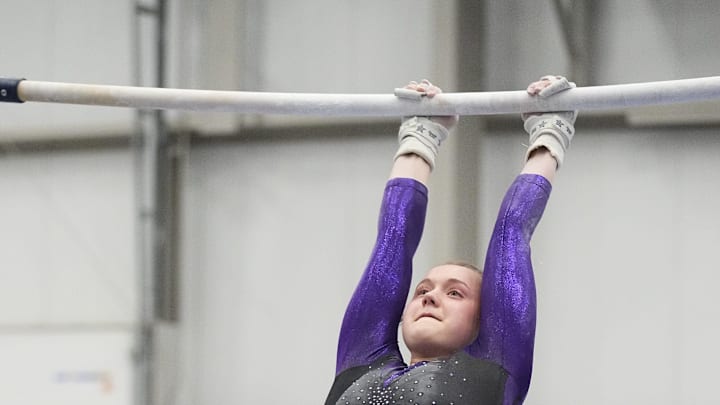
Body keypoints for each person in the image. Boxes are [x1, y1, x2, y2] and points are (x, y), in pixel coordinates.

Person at [324, 76, 577, 405]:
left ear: (485, 320)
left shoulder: (494, 368)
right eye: (422, 290)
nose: (429, 298)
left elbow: (512, 231)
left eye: (455, 293)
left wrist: (551, 131)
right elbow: (392, 240)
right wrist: (421, 136)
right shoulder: (359, 363)